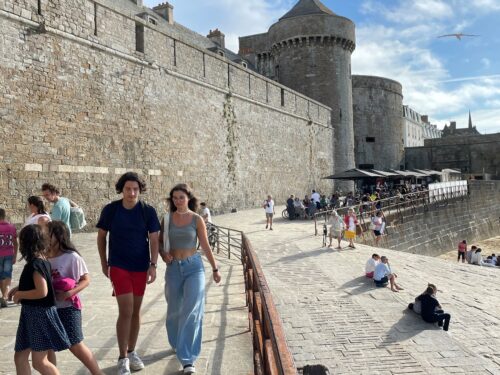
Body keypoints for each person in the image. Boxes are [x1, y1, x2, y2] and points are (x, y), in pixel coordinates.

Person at [96, 172, 160, 375]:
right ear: (121, 189)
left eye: (135, 189)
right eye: (127, 189)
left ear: (140, 190)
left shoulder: (147, 211)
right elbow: (101, 237)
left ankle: (132, 352)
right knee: (126, 310)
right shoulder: (111, 210)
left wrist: (153, 264)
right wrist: (104, 262)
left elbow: (155, 239)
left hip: (140, 267)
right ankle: (123, 357)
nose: (131, 193)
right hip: (119, 266)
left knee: (135, 312)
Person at [159, 183, 222, 374]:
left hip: (194, 267)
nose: (178, 201)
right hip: (173, 269)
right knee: (174, 310)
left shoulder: (196, 219)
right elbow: (159, 243)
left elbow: (204, 244)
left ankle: (188, 359)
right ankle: (177, 342)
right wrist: (163, 254)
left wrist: (215, 268)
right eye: (175, 198)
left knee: (193, 310)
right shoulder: (167, 219)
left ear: (188, 199)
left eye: (181, 197)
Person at [9, 224, 71, 375]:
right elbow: (38, 283)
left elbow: (42, 291)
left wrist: (20, 295)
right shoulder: (41, 261)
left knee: (39, 362)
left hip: (39, 315)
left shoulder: (36, 264)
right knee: (20, 357)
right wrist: (19, 288)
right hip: (31, 314)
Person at [46, 221, 102, 374]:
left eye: (48, 233)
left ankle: (98, 373)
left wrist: (70, 293)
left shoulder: (72, 257)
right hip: (49, 308)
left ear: (58, 235)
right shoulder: (44, 256)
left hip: (69, 307)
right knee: (47, 345)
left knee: (75, 344)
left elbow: (86, 279)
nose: (45, 236)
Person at [0, 208, 18, 308]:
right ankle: (4, 296)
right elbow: (16, 243)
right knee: (7, 275)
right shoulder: (11, 227)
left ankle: (4, 296)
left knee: (0, 276)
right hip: (8, 254)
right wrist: (15, 255)